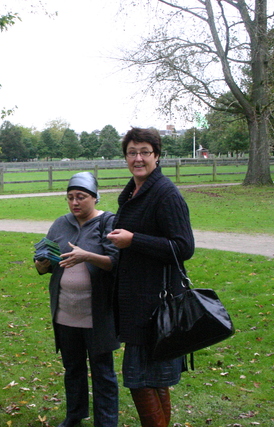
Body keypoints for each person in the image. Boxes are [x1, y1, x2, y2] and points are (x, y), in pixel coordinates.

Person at [107, 128, 195, 427]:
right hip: (137, 302)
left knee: (139, 379)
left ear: (157, 155)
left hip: (155, 303)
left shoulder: (165, 194)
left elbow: (184, 247)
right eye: (132, 152)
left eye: (145, 151)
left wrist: (134, 240)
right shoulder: (134, 191)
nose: (138, 158)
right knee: (152, 379)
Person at [35, 172, 120, 427]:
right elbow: (44, 266)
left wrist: (88, 256)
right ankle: (75, 415)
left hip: (97, 313)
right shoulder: (61, 223)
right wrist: (41, 263)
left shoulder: (108, 222)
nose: (75, 202)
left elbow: (117, 263)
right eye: (70, 197)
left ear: (94, 197)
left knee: (103, 372)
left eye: (81, 197)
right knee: (73, 369)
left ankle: (106, 422)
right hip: (65, 311)